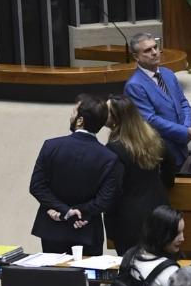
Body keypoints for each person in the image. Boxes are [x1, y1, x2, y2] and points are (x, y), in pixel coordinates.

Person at [29, 94, 123, 255]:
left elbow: (37, 186)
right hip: (86, 230)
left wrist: (64, 211)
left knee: (52, 278)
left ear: (80, 120)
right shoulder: (109, 158)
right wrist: (78, 212)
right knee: (87, 279)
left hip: (52, 228)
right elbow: (104, 200)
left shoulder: (51, 146)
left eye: (74, 112)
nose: (71, 115)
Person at [104, 94, 179, 251]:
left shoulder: (114, 148)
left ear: (116, 118)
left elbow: (112, 188)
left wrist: (110, 226)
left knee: (133, 266)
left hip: (129, 218)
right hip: (158, 209)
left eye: (107, 111)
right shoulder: (151, 137)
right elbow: (170, 162)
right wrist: (164, 185)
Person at [122, 31, 191, 155]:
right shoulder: (134, 85)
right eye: (147, 50)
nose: (154, 52)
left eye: (155, 47)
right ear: (136, 57)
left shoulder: (168, 73)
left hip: (182, 147)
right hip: (161, 151)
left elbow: (183, 103)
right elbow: (150, 120)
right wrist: (183, 132)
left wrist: (187, 127)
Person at [119, 205, 185, 286]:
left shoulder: (131, 256)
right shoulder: (170, 272)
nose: (182, 238)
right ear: (162, 234)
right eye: (177, 233)